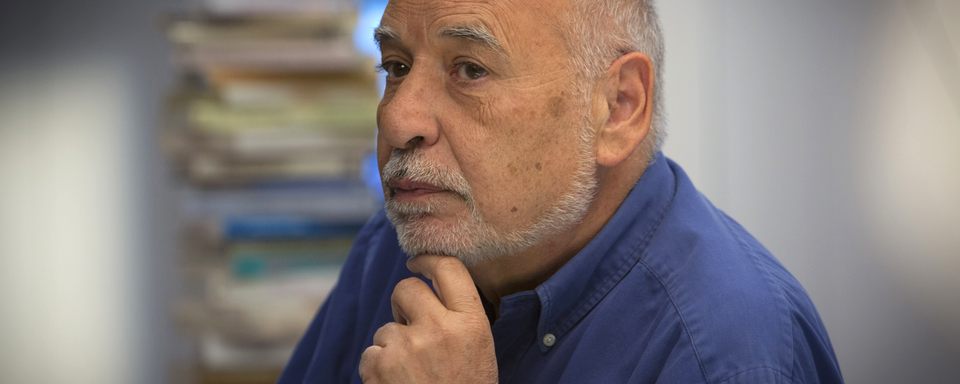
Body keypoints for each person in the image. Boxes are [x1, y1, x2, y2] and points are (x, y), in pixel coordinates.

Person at [279, 0, 844, 382]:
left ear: (619, 108)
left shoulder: (727, 354)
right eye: (396, 65)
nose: (398, 120)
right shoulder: (402, 239)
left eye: (470, 70)